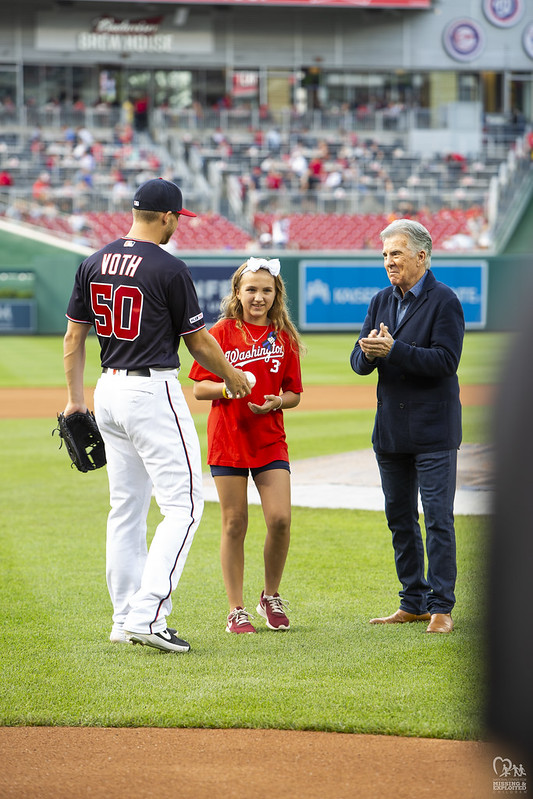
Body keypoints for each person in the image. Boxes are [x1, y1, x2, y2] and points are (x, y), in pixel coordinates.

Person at [62, 178, 251, 654]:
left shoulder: (93, 261)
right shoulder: (168, 267)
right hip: (151, 390)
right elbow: (199, 342)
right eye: (176, 220)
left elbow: (72, 339)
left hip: (107, 389)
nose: (176, 228)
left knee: (125, 509)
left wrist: (74, 400)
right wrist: (231, 375)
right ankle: (148, 615)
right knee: (184, 507)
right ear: (166, 216)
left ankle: (125, 617)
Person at [350, 219, 464, 634]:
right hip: (392, 430)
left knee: (437, 518)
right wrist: (368, 353)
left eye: (395, 253)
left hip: (434, 430)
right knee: (399, 518)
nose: (388, 261)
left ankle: (441, 607)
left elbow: (446, 362)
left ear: (421, 255)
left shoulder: (445, 300)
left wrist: (395, 351)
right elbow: (358, 362)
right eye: (384, 255)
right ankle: (412, 601)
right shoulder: (381, 300)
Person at [188, 257, 304, 634]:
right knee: (234, 523)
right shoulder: (220, 332)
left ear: (276, 294)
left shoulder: (283, 335)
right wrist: (227, 385)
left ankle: (270, 596)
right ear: (237, 292)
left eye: (266, 290)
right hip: (229, 439)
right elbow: (199, 388)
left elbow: (294, 393)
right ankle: (236, 609)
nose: (258, 297)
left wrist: (278, 402)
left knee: (281, 520)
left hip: (270, 439)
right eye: (251, 289)